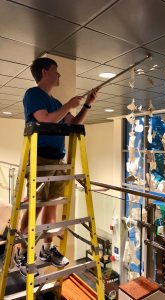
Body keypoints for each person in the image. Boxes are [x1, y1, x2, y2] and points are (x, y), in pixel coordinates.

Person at [14, 57, 98, 276]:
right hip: (41, 158)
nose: (59, 75)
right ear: (45, 72)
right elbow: (45, 119)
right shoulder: (33, 95)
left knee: (53, 205)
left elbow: (74, 123)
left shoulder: (56, 101)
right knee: (36, 206)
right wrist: (69, 105)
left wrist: (87, 104)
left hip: (57, 160)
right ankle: (22, 252)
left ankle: (47, 249)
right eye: (56, 71)